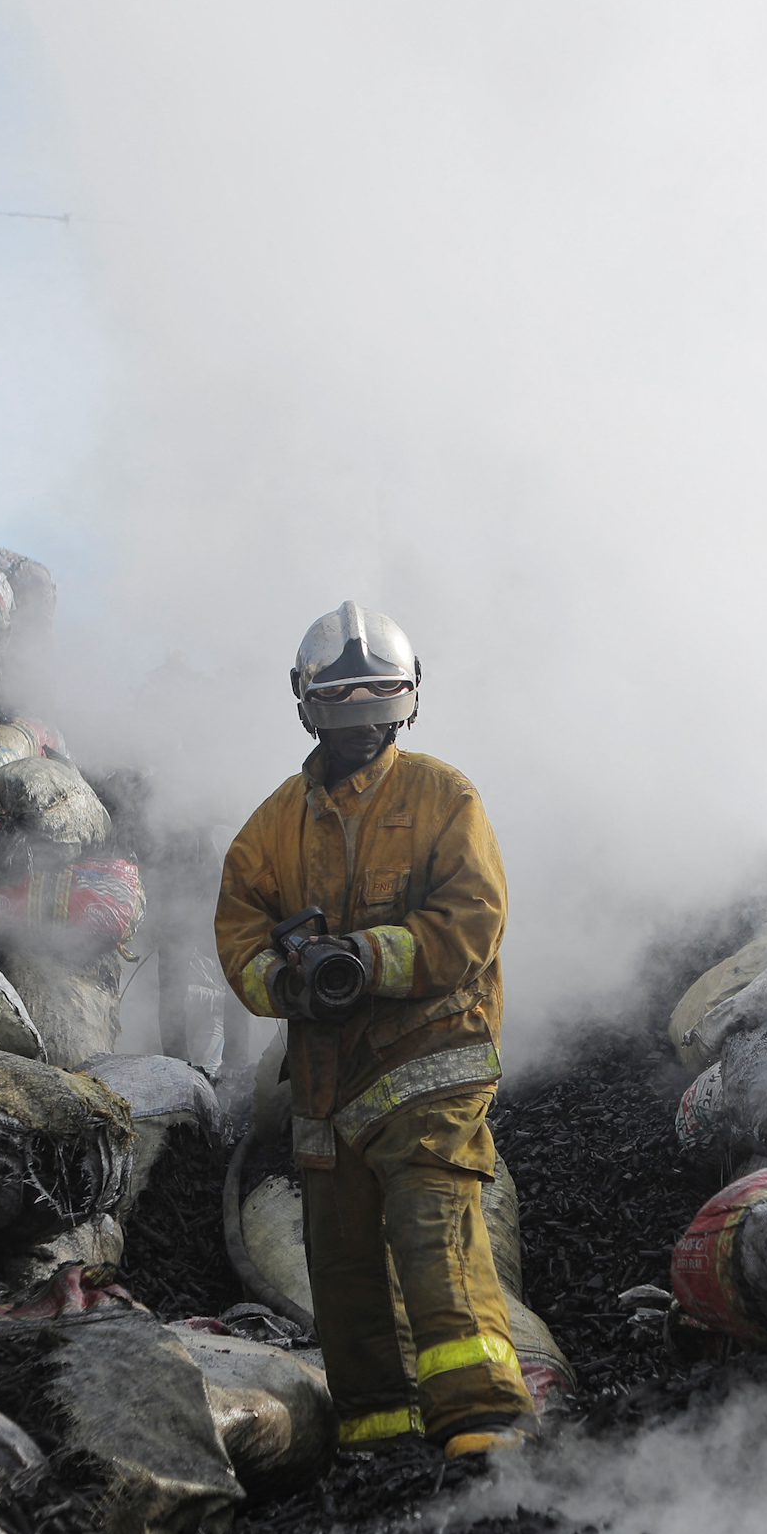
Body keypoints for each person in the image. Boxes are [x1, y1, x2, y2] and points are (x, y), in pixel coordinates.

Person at [216, 601, 536, 1460]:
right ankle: (378, 1432)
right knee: (343, 1262)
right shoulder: (273, 827)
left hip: (431, 1059)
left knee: (434, 1226)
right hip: (327, 1080)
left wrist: (371, 954)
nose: (362, 735)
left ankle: (482, 1419)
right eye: (344, 713)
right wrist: (287, 980)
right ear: (308, 706)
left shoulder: (441, 796)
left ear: (406, 706)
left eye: (377, 715)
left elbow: (474, 920)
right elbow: (241, 936)